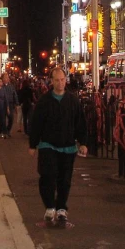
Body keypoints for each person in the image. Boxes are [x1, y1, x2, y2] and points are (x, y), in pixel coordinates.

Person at [28, 67, 87, 223]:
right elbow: (36, 124)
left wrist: (83, 142)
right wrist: (32, 145)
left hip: (68, 146)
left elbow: (80, 123)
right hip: (48, 145)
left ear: (65, 80)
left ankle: (61, 208)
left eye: (62, 80)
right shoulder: (44, 101)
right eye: (57, 80)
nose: (60, 83)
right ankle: (49, 206)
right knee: (48, 176)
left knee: (65, 179)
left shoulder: (72, 100)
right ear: (51, 81)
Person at [2, 73, 19, 137]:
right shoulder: (1, 86)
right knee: (3, 119)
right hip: (3, 105)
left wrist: (16, 104)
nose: (7, 78)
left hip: (10, 104)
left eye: (7, 77)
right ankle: (4, 131)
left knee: (11, 118)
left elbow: (15, 95)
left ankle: (7, 130)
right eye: (5, 77)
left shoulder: (11, 86)